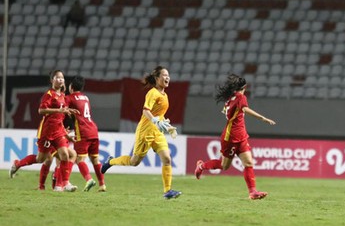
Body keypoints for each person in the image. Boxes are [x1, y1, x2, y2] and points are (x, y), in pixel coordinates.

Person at [100, 66, 180, 199]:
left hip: (157, 132)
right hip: (146, 130)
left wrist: (168, 126)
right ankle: (111, 161)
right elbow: (146, 111)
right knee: (134, 161)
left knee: (167, 159)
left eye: (168, 75)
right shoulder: (152, 93)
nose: (167, 78)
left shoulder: (165, 95)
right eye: (164, 75)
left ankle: (168, 191)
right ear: (157, 78)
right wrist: (155, 121)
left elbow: (158, 115)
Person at [194, 74, 276, 200]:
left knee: (248, 162)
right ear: (245, 87)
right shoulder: (240, 97)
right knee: (224, 166)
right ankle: (202, 166)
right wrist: (263, 118)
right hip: (231, 137)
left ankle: (253, 192)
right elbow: (245, 109)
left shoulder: (231, 98)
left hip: (241, 136)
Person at [11, 70, 80, 191]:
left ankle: (65, 184)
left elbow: (59, 118)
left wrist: (66, 132)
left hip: (58, 131)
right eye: (57, 78)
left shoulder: (63, 96)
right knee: (41, 159)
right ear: (52, 80)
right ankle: (18, 164)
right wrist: (60, 111)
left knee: (65, 155)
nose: (60, 80)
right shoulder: (49, 94)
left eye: (62, 78)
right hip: (47, 131)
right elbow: (41, 110)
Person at [66, 75, 106, 192]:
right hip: (93, 130)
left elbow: (61, 108)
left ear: (71, 86)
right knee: (95, 160)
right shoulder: (85, 97)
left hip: (83, 131)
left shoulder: (70, 98)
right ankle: (102, 185)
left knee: (79, 160)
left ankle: (89, 179)